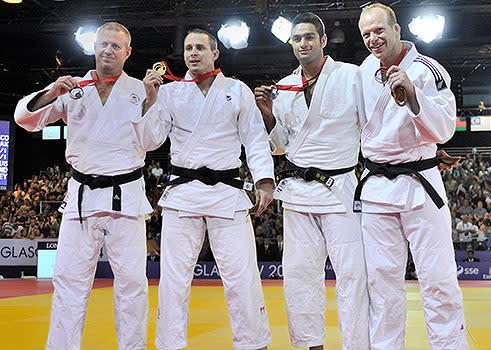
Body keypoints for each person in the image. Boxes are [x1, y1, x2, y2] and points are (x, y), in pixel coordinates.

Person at [14, 23, 151, 349]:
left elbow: (156, 135)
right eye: (104, 44)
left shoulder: (142, 89)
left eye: (116, 46)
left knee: (132, 284)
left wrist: (153, 99)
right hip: (82, 196)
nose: (109, 50)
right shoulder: (73, 88)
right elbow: (26, 119)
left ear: (127, 52)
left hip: (126, 194)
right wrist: (51, 93)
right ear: (94, 47)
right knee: (69, 282)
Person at [136, 28, 274, 350]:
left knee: (241, 275)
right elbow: (149, 141)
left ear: (215, 53)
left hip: (227, 192)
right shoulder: (170, 92)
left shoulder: (237, 90)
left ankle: (253, 343)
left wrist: (265, 181)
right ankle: (170, 344)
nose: (193, 53)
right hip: (183, 193)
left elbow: (254, 138)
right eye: (188, 48)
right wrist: (149, 100)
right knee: (173, 279)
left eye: (200, 47)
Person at [254, 12, 369, 350]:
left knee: (353, 275)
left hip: (340, 189)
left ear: (322, 40)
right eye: (296, 39)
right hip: (298, 193)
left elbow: (373, 123)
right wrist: (268, 115)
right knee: (300, 276)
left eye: (308, 37)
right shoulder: (285, 88)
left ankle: (356, 345)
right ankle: (311, 345)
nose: (302, 43)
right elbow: (282, 145)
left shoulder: (352, 77)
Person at [356, 3, 468, 349]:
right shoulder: (363, 71)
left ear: (396, 29)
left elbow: (445, 128)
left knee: (438, 279)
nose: (373, 39)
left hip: (419, 185)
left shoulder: (426, 69)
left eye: (379, 30)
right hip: (376, 188)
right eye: (366, 34)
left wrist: (414, 94)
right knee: (382, 282)